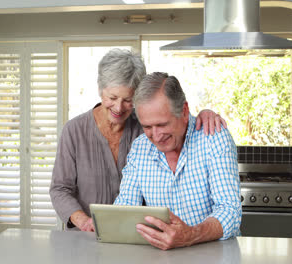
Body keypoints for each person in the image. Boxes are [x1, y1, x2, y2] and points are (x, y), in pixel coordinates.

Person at [49, 49, 227, 232]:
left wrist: (203, 115)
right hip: (87, 235)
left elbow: (173, 116)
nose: (119, 107)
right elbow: (60, 189)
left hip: (138, 237)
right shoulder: (74, 130)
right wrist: (84, 222)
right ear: (100, 90)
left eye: (128, 100)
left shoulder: (146, 127)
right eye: (112, 98)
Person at [114, 72, 241, 250]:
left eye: (162, 125)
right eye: (147, 127)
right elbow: (125, 206)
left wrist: (190, 235)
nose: (156, 136)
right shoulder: (140, 148)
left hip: (214, 256)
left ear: (184, 111)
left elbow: (230, 211)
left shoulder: (213, 138)